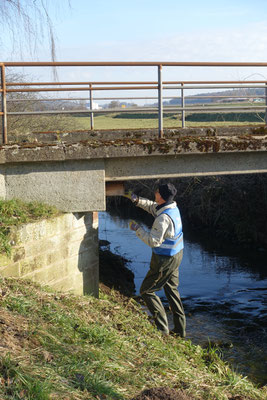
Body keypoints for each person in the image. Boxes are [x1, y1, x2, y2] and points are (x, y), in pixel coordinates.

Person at [124, 183, 186, 337]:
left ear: (161, 196)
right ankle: (179, 331)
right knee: (172, 290)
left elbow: (153, 241)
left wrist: (137, 229)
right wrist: (136, 200)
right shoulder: (172, 208)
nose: (155, 192)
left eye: (157, 192)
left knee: (147, 291)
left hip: (164, 260)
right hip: (177, 255)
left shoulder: (163, 219)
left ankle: (162, 330)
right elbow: (153, 207)